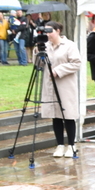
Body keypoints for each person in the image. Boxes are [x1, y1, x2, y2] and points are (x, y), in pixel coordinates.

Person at [39, 21, 82, 158]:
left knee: (68, 114)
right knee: (55, 114)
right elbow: (39, 65)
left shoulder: (69, 45)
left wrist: (58, 70)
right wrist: (38, 52)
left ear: (58, 31)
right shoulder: (46, 46)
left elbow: (77, 63)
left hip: (65, 84)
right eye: (46, 31)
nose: (48, 34)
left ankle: (71, 145)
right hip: (50, 85)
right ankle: (59, 145)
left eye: (50, 31)